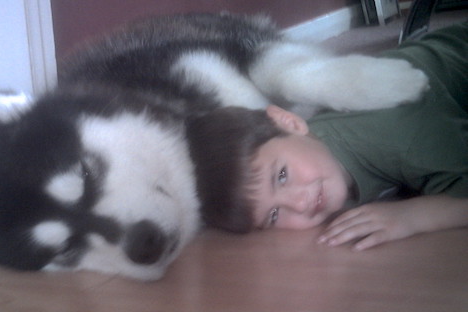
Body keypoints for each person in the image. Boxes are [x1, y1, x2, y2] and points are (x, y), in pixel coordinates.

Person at [187, 21, 468, 250]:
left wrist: (414, 216)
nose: (299, 203)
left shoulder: (402, 135)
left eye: (282, 176)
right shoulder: (313, 152)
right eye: (274, 215)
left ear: (289, 122)